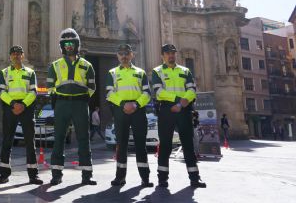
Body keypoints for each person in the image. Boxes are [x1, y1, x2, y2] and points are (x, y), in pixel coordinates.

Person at [46, 28, 96, 186]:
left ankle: (87, 175)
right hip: (62, 104)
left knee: (83, 139)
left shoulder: (87, 65)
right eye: (65, 43)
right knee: (59, 138)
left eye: (71, 43)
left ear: (77, 45)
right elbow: (50, 87)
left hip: (80, 105)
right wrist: (56, 100)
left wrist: (82, 99)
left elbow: (92, 87)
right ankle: (56, 174)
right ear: (62, 46)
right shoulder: (55, 65)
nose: (68, 46)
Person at [151, 44, 206, 188]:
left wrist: (181, 104)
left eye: (173, 53)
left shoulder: (185, 70)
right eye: (168, 53)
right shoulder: (157, 71)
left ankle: (195, 178)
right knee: (165, 145)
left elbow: (192, 90)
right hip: (166, 110)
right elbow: (158, 92)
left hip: (184, 109)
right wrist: (178, 100)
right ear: (162, 55)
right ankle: (162, 179)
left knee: (188, 144)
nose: (171, 55)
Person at [106, 44, 153, 187]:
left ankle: (145, 178)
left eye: (126, 53)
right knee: (121, 145)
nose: (124, 56)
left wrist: (136, 105)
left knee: (140, 145)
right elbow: (109, 93)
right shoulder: (112, 73)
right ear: (117, 56)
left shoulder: (141, 72)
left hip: (138, 111)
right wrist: (122, 104)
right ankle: (120, 177)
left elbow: (147, 94)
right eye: (121, 53)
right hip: (121, 110)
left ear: (132, 55)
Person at [0, 45, 43, 185]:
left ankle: (33, 175)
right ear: (10, 56)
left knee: (30, 142)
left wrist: (23, 105)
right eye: (13, 54)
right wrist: (13, 104)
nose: (16, 56)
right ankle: (4, 175)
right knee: (7, 142)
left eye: (18, 53)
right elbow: (1, 92)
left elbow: (34, 91)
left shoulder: (30, 72)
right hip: (10, 108)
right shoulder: (3, 73)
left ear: (22, 55)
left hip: (26, 108)